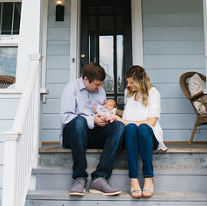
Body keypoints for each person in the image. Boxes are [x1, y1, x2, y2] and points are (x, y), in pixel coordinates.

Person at [60, 62, 125, 197]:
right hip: (73, 135)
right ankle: (80, 177)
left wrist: (104, 118)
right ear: (85, 79)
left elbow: (101, 111)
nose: (100, 87)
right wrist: (92, 120)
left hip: (92, 134)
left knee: (118, 126)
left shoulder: (99, 90)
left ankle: (99, 178)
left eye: (101, 84)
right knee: (79, 121)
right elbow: (66, 118)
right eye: (97, 84)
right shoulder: (71, 88)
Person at [117, 65, 167, 198]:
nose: (128, 85)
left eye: (132, 82)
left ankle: (148, 178)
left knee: (143, 128)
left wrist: (125, 121)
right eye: (128, 82)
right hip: (131, 136)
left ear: (141, 81)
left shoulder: (153, 93)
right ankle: (133, 180)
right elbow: (128, 115)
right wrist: (114, 113)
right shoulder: (129, 94)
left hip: (148, 136)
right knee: (132, 128)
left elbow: (151, 122)